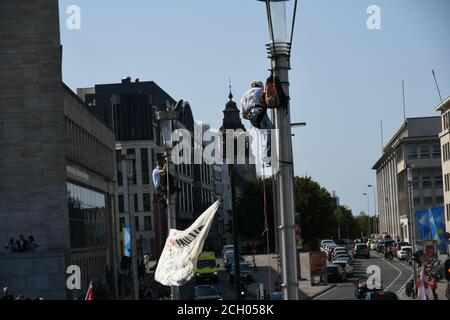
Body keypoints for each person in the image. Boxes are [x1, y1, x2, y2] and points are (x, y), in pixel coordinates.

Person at [241, 81, 273, 165]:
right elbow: (269, 101)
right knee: (271, 131)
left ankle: (267, 152)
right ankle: (267, 155)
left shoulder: (244, 96)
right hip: (258, 111)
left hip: (251, 117)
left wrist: (252, 115)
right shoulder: (261, 91)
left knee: (266, 132)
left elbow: (243, 115)